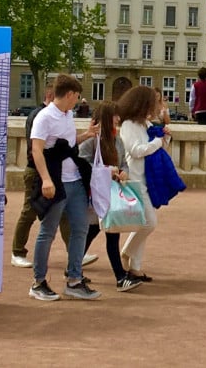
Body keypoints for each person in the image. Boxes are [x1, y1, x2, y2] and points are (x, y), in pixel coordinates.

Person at [28, 75, 101, 302]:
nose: (77, 102)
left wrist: (86, 136)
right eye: (76, 97)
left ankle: (74, 280)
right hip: (56, 182)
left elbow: (68, 147)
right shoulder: (45, 117)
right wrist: (46, 180)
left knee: (80, 228)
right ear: (69, 94)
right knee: (47, 232)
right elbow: (36, 150)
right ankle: (38, 282)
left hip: (74, 180)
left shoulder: (67, 115)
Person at [77, 102, 139, 292]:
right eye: (115, 116)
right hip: (96, 194)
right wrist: (108, 172)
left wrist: (123, 173)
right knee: (111, 234)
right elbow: (82, 163)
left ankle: (73, 268)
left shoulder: (116, 140)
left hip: (111, 192)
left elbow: (124, 164)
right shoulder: (92, 141)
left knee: (93, 231)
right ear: (107, 118)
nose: (118, 119)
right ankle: (120, 277)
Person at [10, 87, 74, 269]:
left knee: (62, 213)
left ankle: (75, 250)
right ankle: (17, 252)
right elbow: (35, 148)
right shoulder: (40, 116)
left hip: (49, 170)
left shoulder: (57, 115)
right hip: (37, 171)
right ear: (51, 96)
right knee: (29, 211)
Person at [117, 86, 168, 284]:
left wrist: (164, 138)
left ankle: (135, 267)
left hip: (145, 178)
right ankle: (127, 253)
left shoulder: (144, 124)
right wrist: (157, 141)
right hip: (134, 179)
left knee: (142, 223)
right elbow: (136, 150)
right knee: (149, 222)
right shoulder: (129, 124)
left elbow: (157, 147)